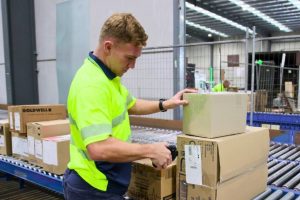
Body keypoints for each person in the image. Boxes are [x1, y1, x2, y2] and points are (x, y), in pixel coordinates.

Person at [63, 13, 197, 200]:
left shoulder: (109, 78)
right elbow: (98, 148)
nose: (132, 66)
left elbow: (131, 104)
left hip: (104, 183)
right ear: (108, 47)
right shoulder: (91, 84)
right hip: (92, 188)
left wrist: (166, 103)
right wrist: (150, 150)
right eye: (129, 58)